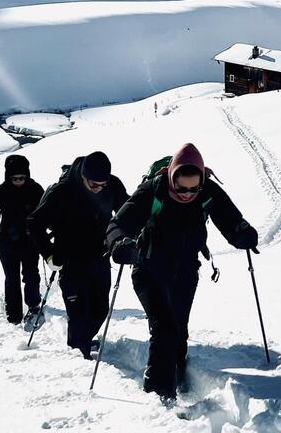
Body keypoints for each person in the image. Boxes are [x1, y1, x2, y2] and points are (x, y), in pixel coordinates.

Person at [106, 143, 259, 401]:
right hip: (148, 270)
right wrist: (119, 243)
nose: (188, 193)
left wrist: (242, 233)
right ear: (171, 177)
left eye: (194, 188)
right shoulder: (152, 191)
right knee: (164, 328)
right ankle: (159, 394)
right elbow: (118, 223)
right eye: (181, 187)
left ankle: (177, 377)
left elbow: (230, 218)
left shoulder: (207, 191)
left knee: (179, 330)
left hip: (186, 270)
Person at [27, 151, 129, 359]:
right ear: (83, 176)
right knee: (78, 313)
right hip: (70, 259)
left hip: (100, 256)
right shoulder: (62, 192)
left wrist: (126, 238)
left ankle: (81, 341)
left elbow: (127, 213)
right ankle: (78, 353)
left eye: (103, 184)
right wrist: (48, 255)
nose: (99, 189)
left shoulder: (112, 185)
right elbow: (34, 224)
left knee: (100, 309)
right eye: (94, 185)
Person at [0, 154, 45, 326]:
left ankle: (34, 306)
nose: (18, 181)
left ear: (27, 175)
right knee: (11, 277)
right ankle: (14, 315)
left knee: (31, 275)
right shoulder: (1, 190)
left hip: (30, 241)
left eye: (22, 178)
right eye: (14, 178)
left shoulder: (36, 189)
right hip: (7, 241)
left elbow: (47, 210)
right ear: (8, 177)